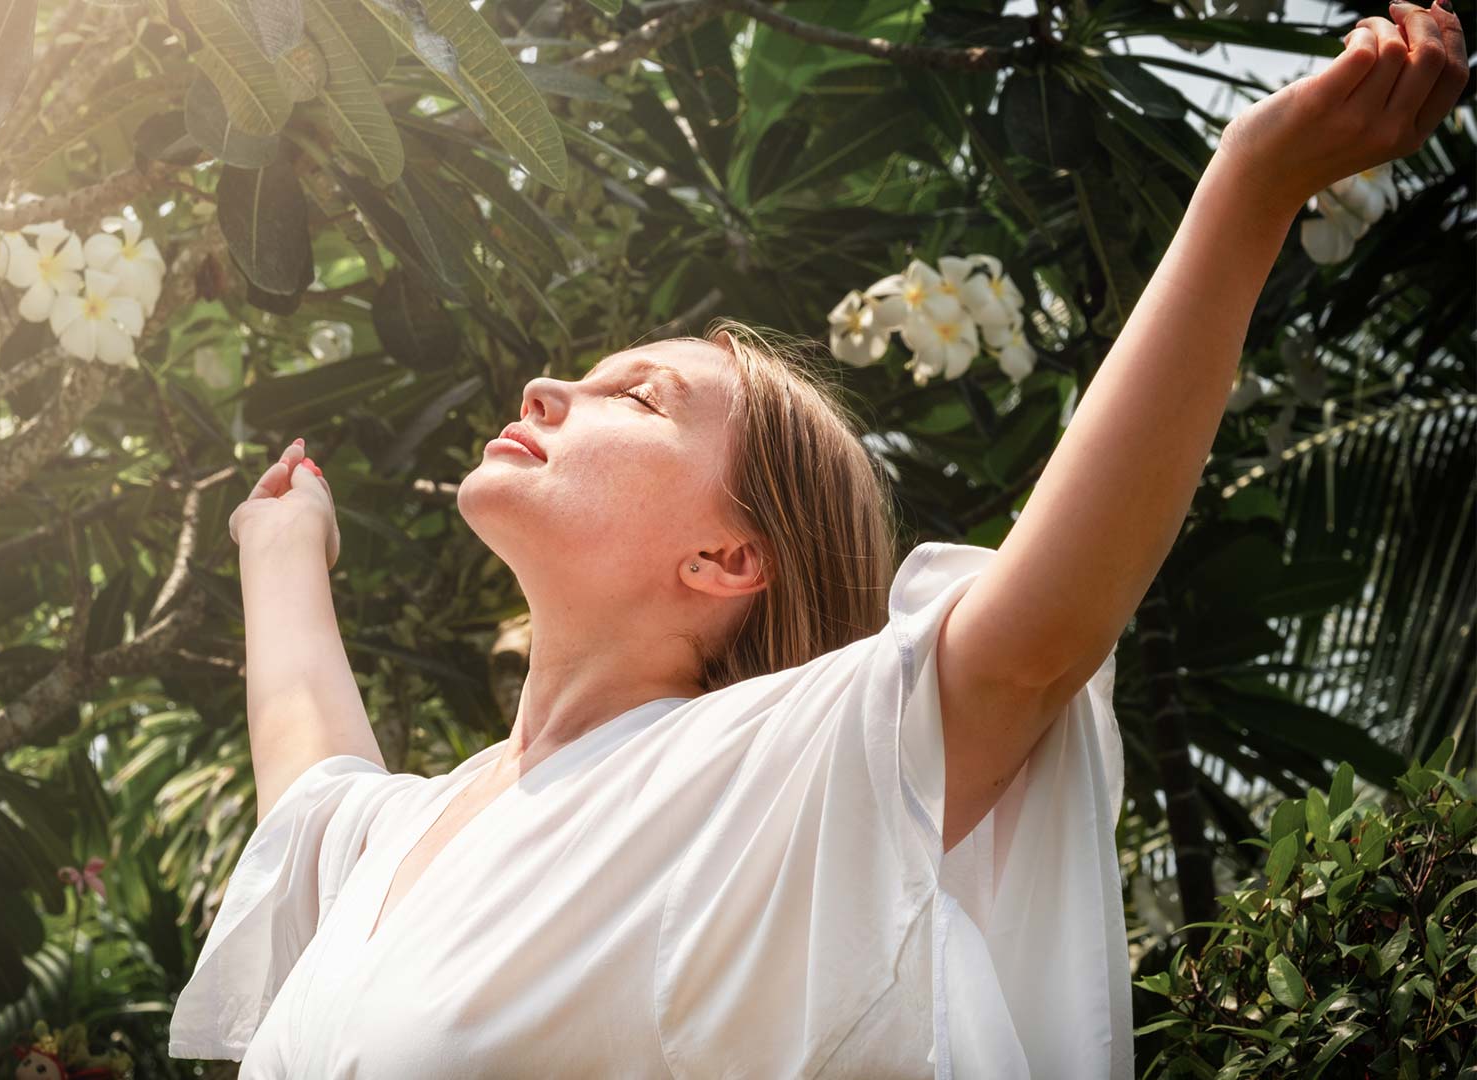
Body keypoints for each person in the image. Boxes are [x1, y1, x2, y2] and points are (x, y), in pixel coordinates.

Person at [169, 4, 1465, 1075]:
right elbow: (314, 784)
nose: (547, 392)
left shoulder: (753, 785)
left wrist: (1248, 189)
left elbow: (1035, 639)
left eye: (638, 394)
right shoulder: (402, 839)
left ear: (728, 561)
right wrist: (279, 545)